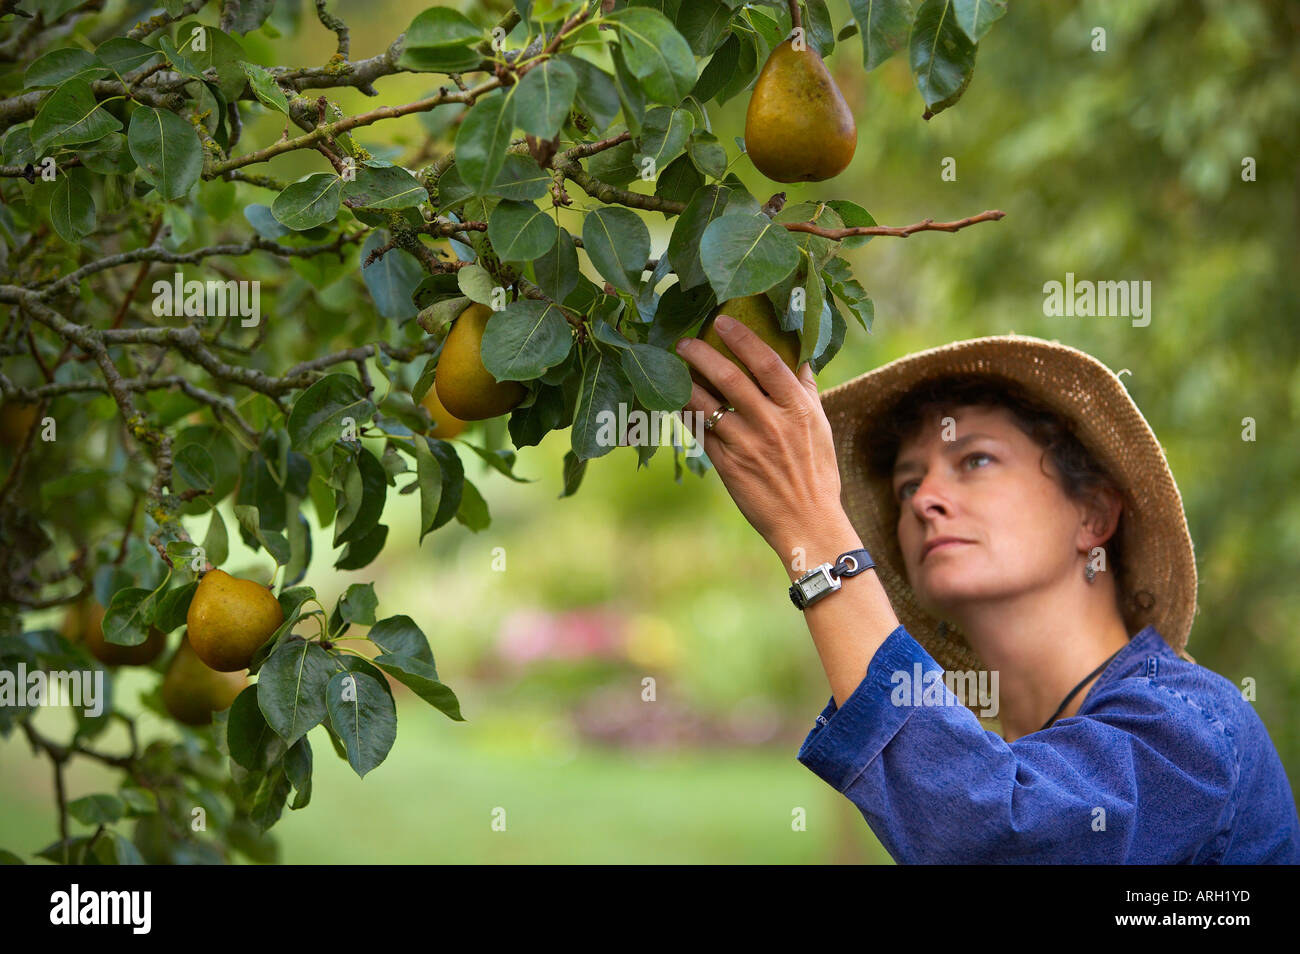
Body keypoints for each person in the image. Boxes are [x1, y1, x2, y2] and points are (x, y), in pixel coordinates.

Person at [674, 326, 1300, 864]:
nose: (923, 499)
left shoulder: (1194, 726)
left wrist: (812, 529)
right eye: (906, 485)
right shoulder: (1027, 754)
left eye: (974, 460)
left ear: (1094, 516)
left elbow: (992, 835)